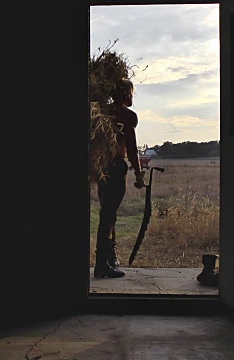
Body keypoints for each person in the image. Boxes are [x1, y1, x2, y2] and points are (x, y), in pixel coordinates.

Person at [94, 78, 146, 278]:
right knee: (108, 215)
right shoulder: (127, 115)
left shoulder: (102, 113)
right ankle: (102, 264)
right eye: (131, 93)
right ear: (125, 94)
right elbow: (132, 148)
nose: (132, 96)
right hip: (116, 167)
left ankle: (108, 258)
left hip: (102, 169)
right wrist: (138, 174)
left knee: (107, 213)